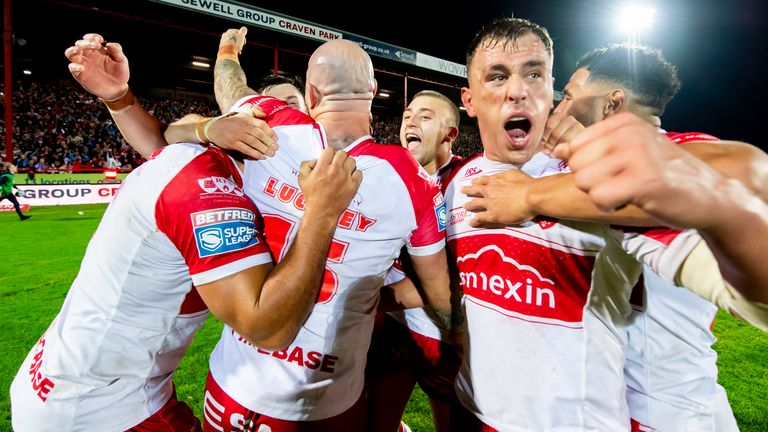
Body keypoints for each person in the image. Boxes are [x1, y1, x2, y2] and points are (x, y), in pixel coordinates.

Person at [65, 28, 454, 431]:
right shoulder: (414, 180)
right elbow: (438, 295)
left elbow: (225, 88)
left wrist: (228, 50)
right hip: (323, 402)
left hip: (233, 386)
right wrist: (367, 294)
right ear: (373, 90)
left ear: (314, 97)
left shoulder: (264, 129)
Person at [9, 34, 362, 432]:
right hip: (103, 407)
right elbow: (268, 327)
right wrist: (322, 213)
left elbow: (166, 137)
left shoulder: (203, 159)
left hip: (63, 376)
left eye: (294, 112)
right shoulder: (210, 189)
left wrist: (122, 98)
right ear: (242, 116)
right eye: (270, 110)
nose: (285, 122)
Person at [444, 17, 746, 431]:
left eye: (561, 93)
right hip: (618, 397)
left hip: (673, 412)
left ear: (611, 104)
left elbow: (709, 182)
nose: (560, 108)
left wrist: (530, 196)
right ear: (470, 98)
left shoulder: (654, 160)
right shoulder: (467, 180)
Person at [366, 90, 469, 432]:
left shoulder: (468, 182)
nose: (410, 120)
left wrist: (361, 301)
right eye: (408, 115)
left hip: (441, 334)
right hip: (394, 325)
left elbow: (452, 279)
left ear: (449, 133)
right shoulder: (389, 176)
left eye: (425, 116)